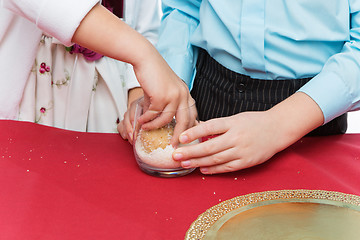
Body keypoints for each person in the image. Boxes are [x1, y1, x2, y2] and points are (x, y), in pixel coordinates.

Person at [120, 0, 360, 174]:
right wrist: (169, 89)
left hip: (312, 112)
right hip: (208, 96)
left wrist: (278, 125)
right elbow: (184, 8)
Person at [0, 0, 195, 140]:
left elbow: (146, 23)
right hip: (34, 84)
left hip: (112, 87)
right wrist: (144, 55)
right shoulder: (140, 52)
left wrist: (136, 92)